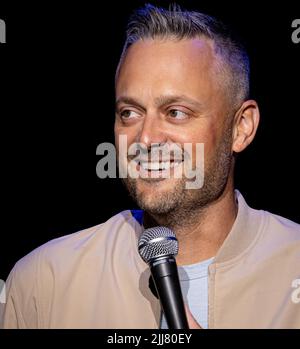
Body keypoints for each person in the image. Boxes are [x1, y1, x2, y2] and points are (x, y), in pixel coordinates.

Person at [1, 4, 299, 329]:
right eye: (129, 112)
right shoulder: (45, 284)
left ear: (241, 128)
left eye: (176, 112)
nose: (145, 138)